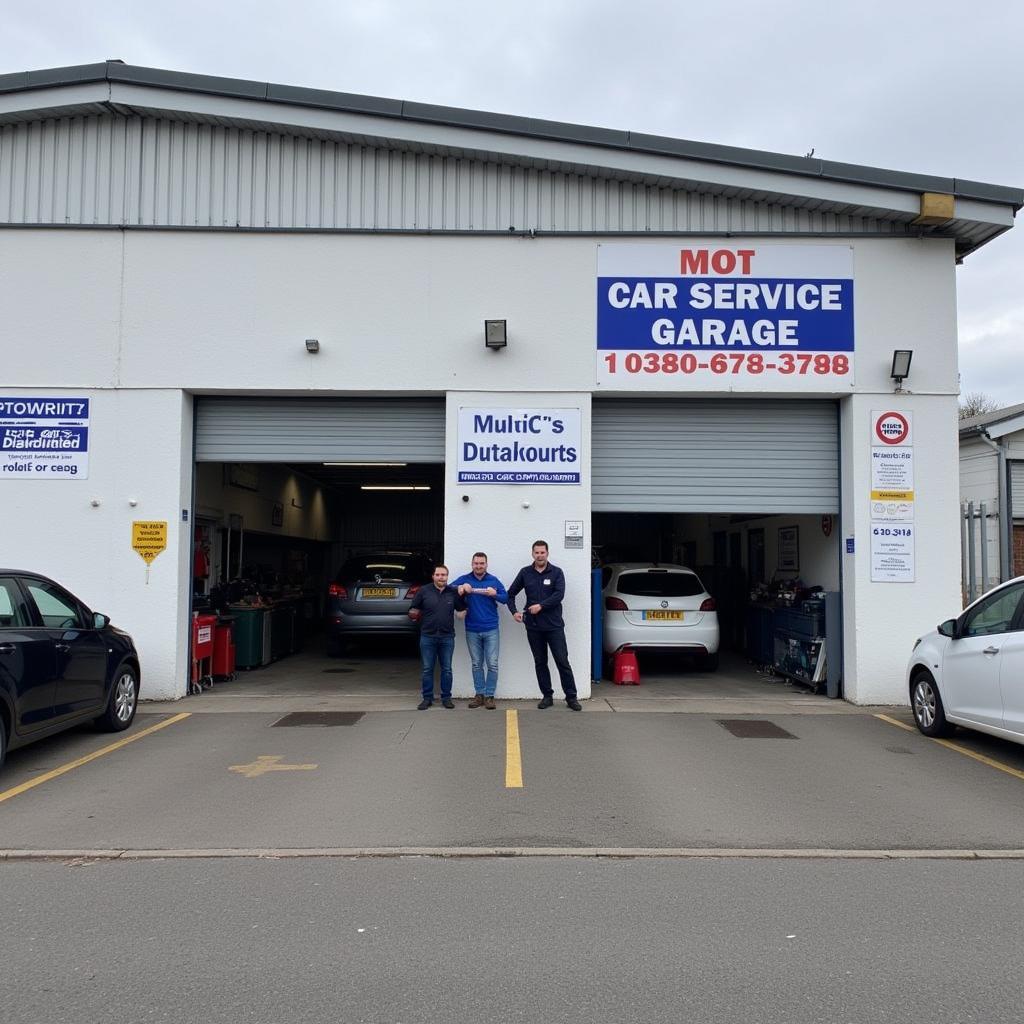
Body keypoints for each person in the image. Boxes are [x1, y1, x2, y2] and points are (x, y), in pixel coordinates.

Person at [507, 540, 581, 711]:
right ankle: (547, 696)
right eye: (537, 552)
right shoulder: (525, 573)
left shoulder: (556, 572)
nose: (540, 555)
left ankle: (571, 697)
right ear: (532, 554)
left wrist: (541, 606)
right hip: (533, 627)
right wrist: (514, 611)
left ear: (548, 553)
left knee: (562, 661)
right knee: (540, 662)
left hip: (554, 626)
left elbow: (559, 595)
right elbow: (510, 594)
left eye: (542, 552)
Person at [452, 552, 508, 710]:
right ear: (472, 564)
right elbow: (449, 589)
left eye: (481, 563)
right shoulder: (465, 579)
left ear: (486, 564)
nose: (478, 566)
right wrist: (461, 587)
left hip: (491, 628)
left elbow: (506, 598)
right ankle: (479, 695)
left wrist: (494, 594)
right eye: (476, 563)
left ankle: (490, 696)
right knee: (477, 664)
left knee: (492, 664)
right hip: (472, 629)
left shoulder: (493, 580)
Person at [408, 564, 465, 710]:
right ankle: (427, 698)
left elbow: (461, 609)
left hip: (447, 637)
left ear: (447, 576)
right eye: (438, 575)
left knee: (447, 669)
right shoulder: (423, 591)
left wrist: (463, 613)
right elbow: (413, 608)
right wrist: (413, 614)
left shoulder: (453, 592)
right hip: (428, 636)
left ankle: (446, 698)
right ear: (433, 576)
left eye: (444, 575)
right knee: (427, 669)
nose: (441, 577)